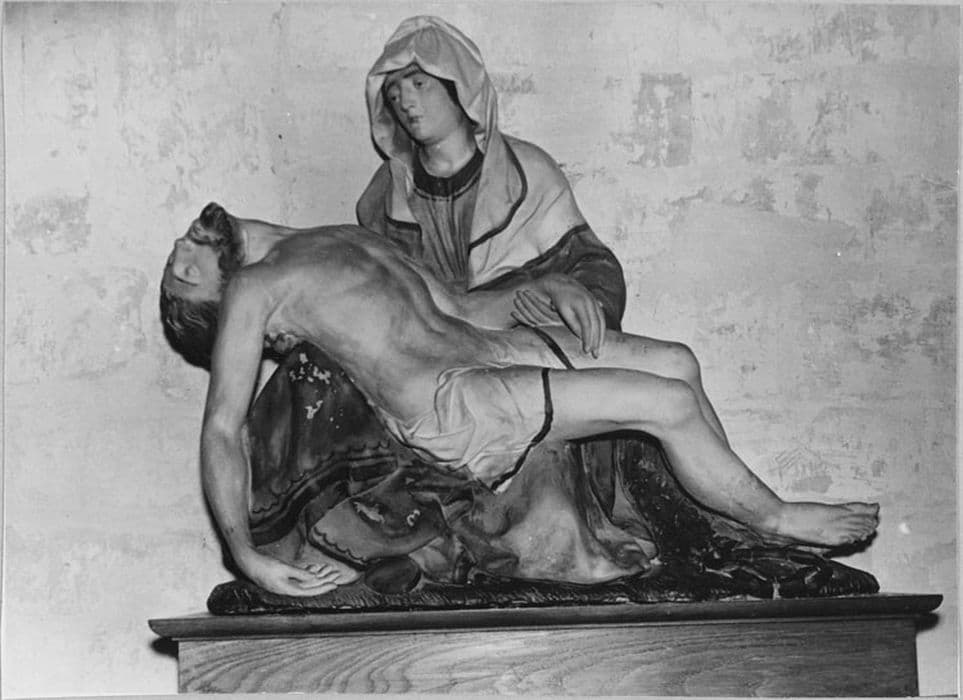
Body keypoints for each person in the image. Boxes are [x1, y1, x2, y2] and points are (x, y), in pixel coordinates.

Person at [160, 202, 880, 597]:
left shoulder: (336, 236)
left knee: (676, 363)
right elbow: (223, 428)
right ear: (224, 308)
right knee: (666, 404)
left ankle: (732, 530)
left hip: (484, 349)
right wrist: (244, 554)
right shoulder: (258, 289)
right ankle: (776, 519)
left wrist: (542, 289)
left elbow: (461, 307)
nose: (184, 254)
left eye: (177, 261)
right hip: (452, 403)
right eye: (183, 276)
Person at [356, 15, 626, 354]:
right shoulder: (384, 194)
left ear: (459, 84)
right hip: (427, 352)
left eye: (419, 84)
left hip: (520, 344)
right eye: (394, 96)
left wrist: (578, 311)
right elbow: (379, 295)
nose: (406, 103)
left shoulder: (527, 172)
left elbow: (593, 265)